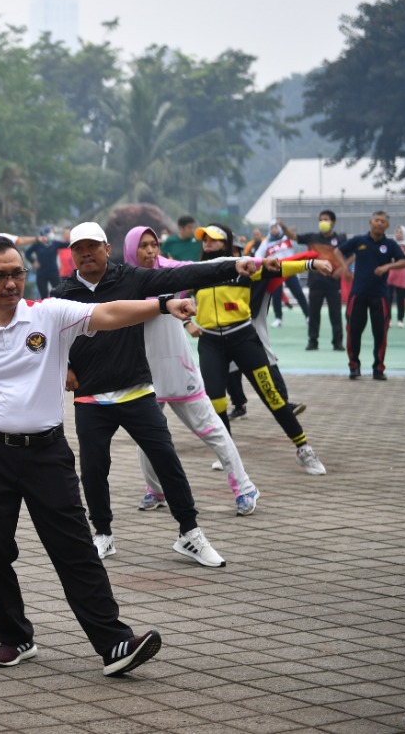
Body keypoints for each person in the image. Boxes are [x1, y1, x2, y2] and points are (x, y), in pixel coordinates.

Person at [0, 235, 170, 676]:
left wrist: (161, 307)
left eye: (18, 272)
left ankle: (114, 643)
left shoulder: (49, 315)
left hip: (48, 453)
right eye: (0, 276)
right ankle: (15, 637)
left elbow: (108, 314)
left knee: (74, 549)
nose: (12, 283)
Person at [52, 221, 250, 567]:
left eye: (92, 246)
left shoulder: (130, 278)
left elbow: (183, 276)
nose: (86, 253)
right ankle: (102, 535)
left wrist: (233, 265)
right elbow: (52, 338)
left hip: (137, 390)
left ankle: (190, 533)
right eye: (79, 248)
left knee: (167, 461)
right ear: (72, 255)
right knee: (94, 469)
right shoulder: (62, 293)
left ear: (106, 249)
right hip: (91, 398)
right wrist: (65, 366)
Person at [122, 227, 260, 515]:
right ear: (130, 249)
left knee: (211, 430)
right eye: (143, 246)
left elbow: (201, 268)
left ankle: (245, 488)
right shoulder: (123, 281)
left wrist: (236, 262)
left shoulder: (168, 272)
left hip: (179, 368)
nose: (150, 251)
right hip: (143, 374)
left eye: (154, 245)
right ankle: (155, 490)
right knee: (146, 437)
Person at [188, 224, 331, 476]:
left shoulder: (244, 266)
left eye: (213, 239)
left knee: (272, 395)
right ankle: (226, 453)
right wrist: (187, 322)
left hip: (243, 339)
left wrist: (311, 264)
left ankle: (303, 448)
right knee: (216, 402)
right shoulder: (197, 272)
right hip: (210, 343)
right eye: (204, 239)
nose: (207, 243)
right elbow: (171, 293)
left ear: (226, 243)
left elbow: (280, 267)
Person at [340, 211, 405, 380]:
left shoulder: (391, 244)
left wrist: (386, 267)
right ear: (370, 222)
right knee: (353, 331)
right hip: (358, 294)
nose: (379, 223)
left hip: (380, 295)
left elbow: (404, 261)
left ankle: (378, 368)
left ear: (387, 226)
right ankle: (354, 366)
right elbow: (338, 251)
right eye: (376, 220)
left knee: (380, 333)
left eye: (383, 221)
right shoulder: (359, 241)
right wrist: (344, 268)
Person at [295, 210, 348, 351]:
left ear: (333, 222)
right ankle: (313, 341)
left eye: (326, 219)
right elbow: (294, 237)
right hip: (315, 281)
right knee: (313, 313)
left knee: (335, 313)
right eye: (321, 219)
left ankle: (337, 342)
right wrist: (283, 228)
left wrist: (343, 269)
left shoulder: (341, 239)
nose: (323, 222)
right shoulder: (312, 237)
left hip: (333, 281)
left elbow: (352, 254)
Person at [254, 220, 310, 326]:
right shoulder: (266, 242)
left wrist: (288, 230)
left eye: (276, 227)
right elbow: (258, 255)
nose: (274, 230)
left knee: (298, 292)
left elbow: (296, 239)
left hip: (289, 269)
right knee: (276, 295)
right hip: (275, 271)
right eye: (271, 228)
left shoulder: (287, 238)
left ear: (279, 228)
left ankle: (308, 316)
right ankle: (278, 318)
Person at [24, 226, 70, 299]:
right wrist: (33, 262)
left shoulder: (55, 243)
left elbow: (67, 244)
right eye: (50, 232)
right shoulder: (37, 244)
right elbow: (27, 253)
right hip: (41, 273)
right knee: (44, 296)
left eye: (52, 232)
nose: (52, 234)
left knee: (59, 294)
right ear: (44, 234)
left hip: (53, 273)